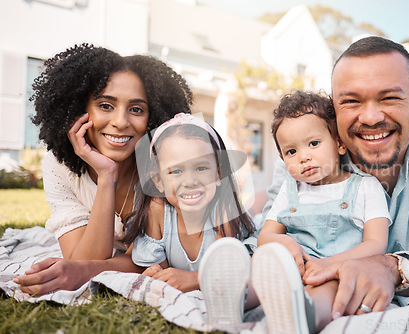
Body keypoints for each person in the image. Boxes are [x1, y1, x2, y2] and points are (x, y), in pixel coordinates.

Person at [261, 35, 409, 323]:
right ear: (334, 108)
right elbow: (269, 232)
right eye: (352, 101)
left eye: (390, 98)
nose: (370, 117)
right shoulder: (305, 153)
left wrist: (392, 269)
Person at [13, 43, 193, 295]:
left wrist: (87, 270)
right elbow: (80, 260)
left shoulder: (164, 166)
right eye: (105, 105)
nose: (120, 122)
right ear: (79, 110)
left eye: (136, 109)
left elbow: (151, 261)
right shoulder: (60, 167)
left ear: (152, 118)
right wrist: (107, 176)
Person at [255, 90, 391, 332]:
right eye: (291, 152)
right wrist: (285, 242)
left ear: (339, 143)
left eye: (314, 144)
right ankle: (235, 296)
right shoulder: (290, 190)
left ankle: (300, 318)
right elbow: (265, 236)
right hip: (293, 267)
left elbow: (376, 244)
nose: (304, 157)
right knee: (260, 271)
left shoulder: (365, 188)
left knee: (327, 294)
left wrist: (330, 265)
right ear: (282, 158)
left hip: (337, 271)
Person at [124, 113, 255, 292]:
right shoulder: (157, 211)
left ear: (218, 174)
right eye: (176, 171)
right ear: (158, 182)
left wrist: (196, 279)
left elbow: (224, 274)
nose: (190, 181)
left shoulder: (223, 212)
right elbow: (162, 274)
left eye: (201, 168)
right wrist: (156, 273)